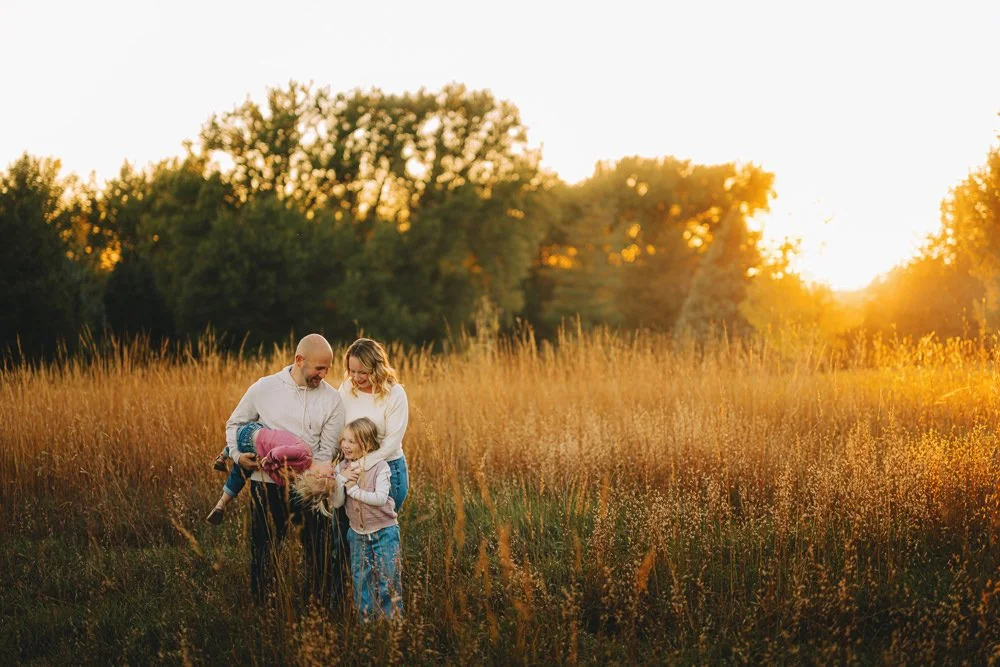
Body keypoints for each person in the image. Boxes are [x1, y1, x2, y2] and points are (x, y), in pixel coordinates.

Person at [225, 333, 345, 604]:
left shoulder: (333, 400)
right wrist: (237, 456)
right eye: (319, 368)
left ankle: (318, 606)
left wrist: (304, 472)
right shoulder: (264, 388)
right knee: (263, 547)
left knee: (318, 550)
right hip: (264, 483)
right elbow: (235, 425)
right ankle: (262, 606)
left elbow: (327, 451)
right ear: (299, 360)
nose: (324, 375)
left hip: (310, 486)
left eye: (328, 368)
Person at [331, 417, 402, 620]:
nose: (345, 445)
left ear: (368, 444)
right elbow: (337, 503)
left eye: (351, 441)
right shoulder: (341, 468)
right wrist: (341, 480)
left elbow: (380, 499)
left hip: (384, 531)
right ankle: (367, 623)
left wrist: (353, 490)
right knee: (361, 579)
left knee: (387, 578)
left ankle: (392, 623)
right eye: (344, 439)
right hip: (357, 534)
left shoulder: (380, 467)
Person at [337, 338, 409, 511]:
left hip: (387, 468)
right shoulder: (347, 388)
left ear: (377, 368)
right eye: (351, 371)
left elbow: (391, 443)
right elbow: (337, 425)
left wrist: (360, 465)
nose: (355, 377)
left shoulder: (395, 394)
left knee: (381, 527)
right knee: (349, 529)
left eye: (362, 372)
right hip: (350, 465)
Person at [206, 422, 315, 525]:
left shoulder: (300, 460)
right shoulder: (302, 461)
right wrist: (267, 463)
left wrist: (267, 462)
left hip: (253, 443)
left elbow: (277, 463)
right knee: (239, 457)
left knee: (239, 463)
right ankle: (221, 501)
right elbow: (277, 460)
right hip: (254, 442)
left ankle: (222, 458)